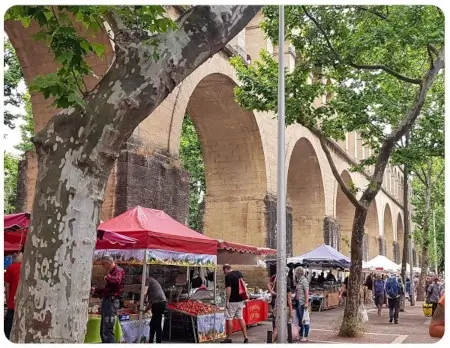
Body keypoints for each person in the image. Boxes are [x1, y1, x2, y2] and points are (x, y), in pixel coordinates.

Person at [91, 255, 125, 343]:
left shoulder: (118, 270)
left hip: (111, 302)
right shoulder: (112, 272)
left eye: (103, 264)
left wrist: (107, 277)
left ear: (107, 263)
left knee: (107, 329)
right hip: (108, 301)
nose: (103, 267)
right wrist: (96, 291)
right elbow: (108, 290)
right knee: (104, 329)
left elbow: (117, 281)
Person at [221, 264, 248, 343]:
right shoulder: (239, 273)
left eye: (224, 271)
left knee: (229, 319)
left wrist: (227, 300)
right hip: (240, 300)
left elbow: (228, 289)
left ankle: (228, 338)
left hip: (232, 301)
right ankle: (245, 337)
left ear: (226, 269)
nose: (224, 273)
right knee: (240, 317)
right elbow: (243, 284)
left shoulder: (228, 277)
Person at [4, 250, 23, 340]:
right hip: (25, 306)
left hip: (13, 305)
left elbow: (6, 287)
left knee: (8, 331)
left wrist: (8, 300)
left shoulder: (12, 267)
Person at [272, 269, 293, 343]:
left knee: (278, 325)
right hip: (284, 308)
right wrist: (291, 311)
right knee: (278, 327)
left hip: (277, 306)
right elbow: (289, 301)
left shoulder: (278, 286)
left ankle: (276, 341)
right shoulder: (287, 289)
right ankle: (270, 341)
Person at [144, 274, 167, 343]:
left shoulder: (148, 280)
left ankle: (158, 342)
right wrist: (145, 310)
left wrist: (141, 301)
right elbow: (151, 303)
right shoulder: (152, 284)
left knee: (157, 323)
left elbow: (144, 293)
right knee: (153, 323)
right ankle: (151, 341)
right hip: (159, 303)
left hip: (159, 303)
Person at [294, 267, 309, 342]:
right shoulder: (299, 280)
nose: (295, 274)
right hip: (298, 302)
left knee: (304, 320)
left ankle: (305, 336)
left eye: (296, 272)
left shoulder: (304, 281)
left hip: (302, 303)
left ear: (299, 273)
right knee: (300, 320)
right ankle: (300, 335)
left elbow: (306, 292)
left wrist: (306, 302)